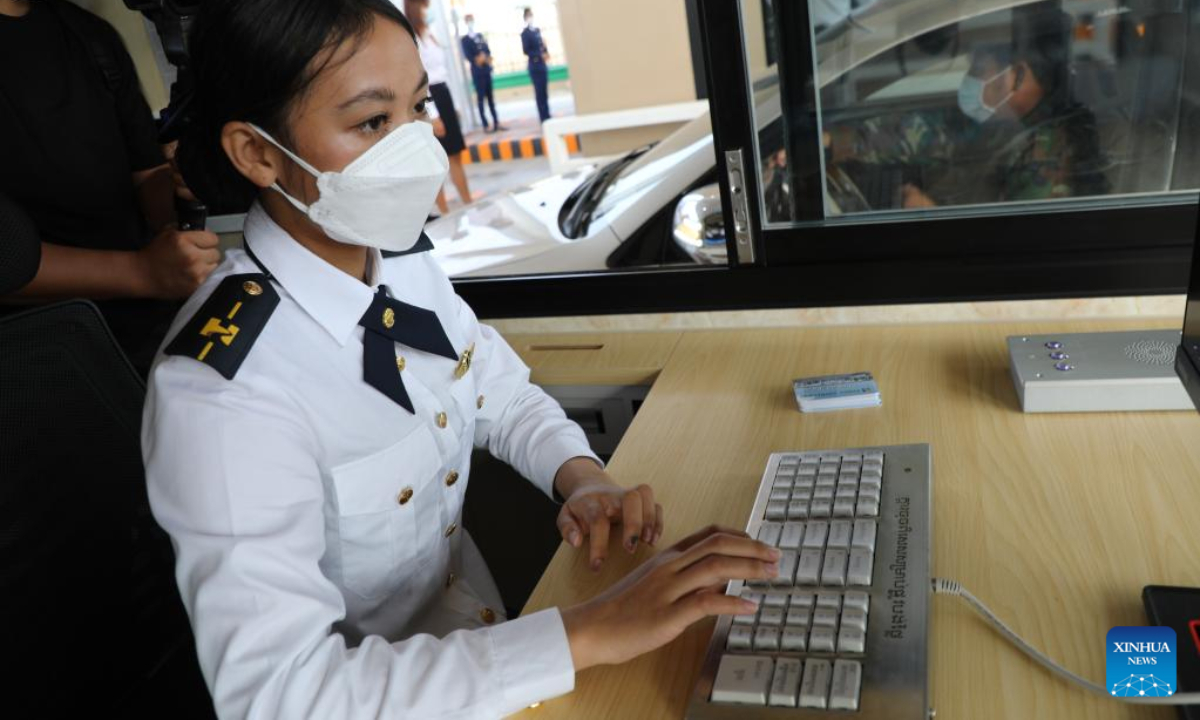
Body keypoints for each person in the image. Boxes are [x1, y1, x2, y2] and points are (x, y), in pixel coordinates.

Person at [147, 1, 777, 717]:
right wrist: (588, 632)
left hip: (482, 637)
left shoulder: (400, 261)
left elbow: (497, 391)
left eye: (417, 106)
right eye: (371, 123)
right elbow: (282, 694)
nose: (418, 145)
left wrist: (581, 477)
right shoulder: (225, 392)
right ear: (258, 152)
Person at [0, 0, 219, 374]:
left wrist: (183, 180)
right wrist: (142, 272)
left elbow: (148, 176)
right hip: (39, 362)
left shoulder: (87, 34)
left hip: (151, 330)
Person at [826, 7, 1110, 211]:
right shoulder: (1000, 123)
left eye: (979, 67)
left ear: (1017, 76)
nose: (970, 79)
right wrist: (833, 142)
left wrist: (931, 215)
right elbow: (925, 133)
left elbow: (1017, 260)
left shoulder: (1049, 159)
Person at [404, 0, 476, 214]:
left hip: (443, 94)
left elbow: (444, 72)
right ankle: (444, 212)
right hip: (429, 98)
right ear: (417, 8)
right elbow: (419, 78)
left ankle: (469, 204)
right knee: (434, 162)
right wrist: (432, 115)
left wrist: (454, 106)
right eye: (425, 5)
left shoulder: (431, 34)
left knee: (456, 155)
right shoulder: (412, 38)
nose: (429, 9)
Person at [460, 13, 502, 133]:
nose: (470, 22)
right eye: (468, 20)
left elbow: (487, 50)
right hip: (477, 72)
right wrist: (478, 59)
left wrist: (486, 57)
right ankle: (485, 124)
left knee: (490, 98)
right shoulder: (465, 39)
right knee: (481, 98)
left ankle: (496, 122)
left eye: (471, 19)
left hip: (486, 70)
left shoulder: (480, 36)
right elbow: (468, 55)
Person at [521, 6, 551, 123]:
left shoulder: (537, 30)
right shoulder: (525, 33)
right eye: (528, 15)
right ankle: (543, 117)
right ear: (525, 18)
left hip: (542, 65)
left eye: (531, 15)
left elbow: (542, 46)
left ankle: (547, 114)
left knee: (544, 91)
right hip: (534, 66)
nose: (530, 17)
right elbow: (526, 50)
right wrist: (539, 55)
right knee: (539, 92)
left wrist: (546, 53)